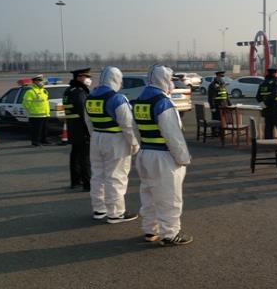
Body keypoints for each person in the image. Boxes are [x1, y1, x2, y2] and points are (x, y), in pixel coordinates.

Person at [133, 65, 193, 246]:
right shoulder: (163, 102)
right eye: (171, 80)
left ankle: (150, 229)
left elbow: (135, 129)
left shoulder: (139, 100)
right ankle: (170, 234)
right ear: (164, 80)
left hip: (145, 153)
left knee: (149, 195)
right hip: (163, 156)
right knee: (169, 197)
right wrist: (183, 158)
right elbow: (173, 135)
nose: (172, 84)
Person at [85, 66, 139, 223]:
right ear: (116, 79)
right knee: (116, 176)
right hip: (115, 140)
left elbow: (88, 121)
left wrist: (95, 136)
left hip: (96, 138)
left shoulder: (90, 97)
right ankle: (116, 213)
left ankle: (99, 208)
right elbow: (128, 125)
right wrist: (134, 144)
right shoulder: (117, 98)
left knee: (98, 175)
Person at [63, 67, 93, 191]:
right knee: (85, 157)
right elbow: (84, 113)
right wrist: (89, 130)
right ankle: (87, 183)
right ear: (79, 77)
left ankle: (75, 181)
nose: (89, 79)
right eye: (87, 76)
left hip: (73, 127)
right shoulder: (80, 93)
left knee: (75, 155)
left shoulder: (69, 90)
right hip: (82, 128)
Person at [22, 74, 51, 147]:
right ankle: (35, 142)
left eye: (41, 80)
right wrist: (31, 111)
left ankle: (44, 140)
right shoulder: (30, 92)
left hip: (45, 114)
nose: (41, 82)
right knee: (36, 130)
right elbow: (26, 103)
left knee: (44, 129)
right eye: (39, 80)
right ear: (35, 82)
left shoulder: (44, 91)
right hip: (35, 115)